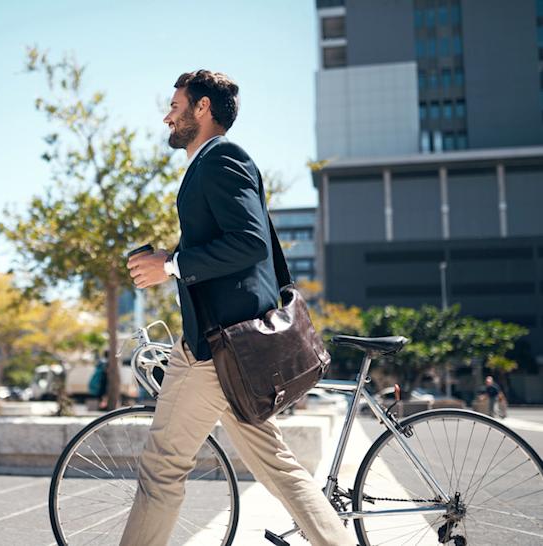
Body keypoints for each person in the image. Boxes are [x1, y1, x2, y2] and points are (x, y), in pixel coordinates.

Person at [123, 70, 354, 546]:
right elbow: (240, 246)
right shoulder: (210, 166)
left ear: (201, 108)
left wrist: (171, 264)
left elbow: (249, 242)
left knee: (162, 467)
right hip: (230, 349)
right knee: (279, 469)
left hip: (215, 350)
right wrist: (170, 262)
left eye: (175, 104)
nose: (167, 115)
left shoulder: (222, 158)